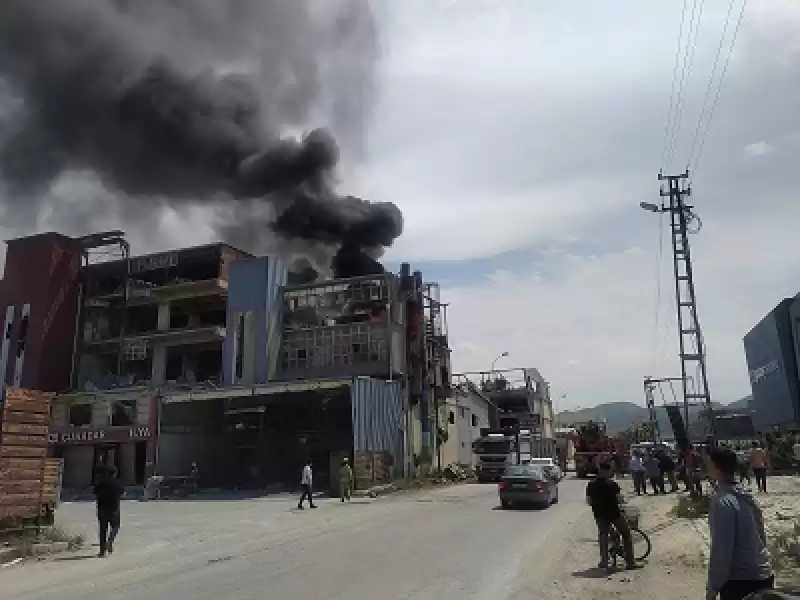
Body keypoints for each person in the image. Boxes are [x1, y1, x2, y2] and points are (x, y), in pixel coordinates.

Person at [706, 446, 773, 600]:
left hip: (741, 582)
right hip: (763, 575)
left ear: (716, 468)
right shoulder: (746, 495)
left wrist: (712, 588)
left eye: (709, 463)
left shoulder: (722, 502)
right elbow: (761, 534)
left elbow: (722, 551)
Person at [586, 462, 639, 572]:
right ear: (608, 471)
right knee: (626, 535)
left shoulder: (591, 484)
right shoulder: (612, 484)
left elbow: (589, 502)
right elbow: (620, 500)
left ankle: (604, 562)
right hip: (614, 514)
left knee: (603, 537)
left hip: (599, 515)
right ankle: (630, 562)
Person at [93, 465, 124, 558]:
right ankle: (110, 541)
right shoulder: (117, 483)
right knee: (116, 526)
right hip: (113, 509)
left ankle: (102, 552)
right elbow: (123, 494)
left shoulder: (100, 484)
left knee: (102, 530)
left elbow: (95, 493)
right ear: (115, 474)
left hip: (101, 509)